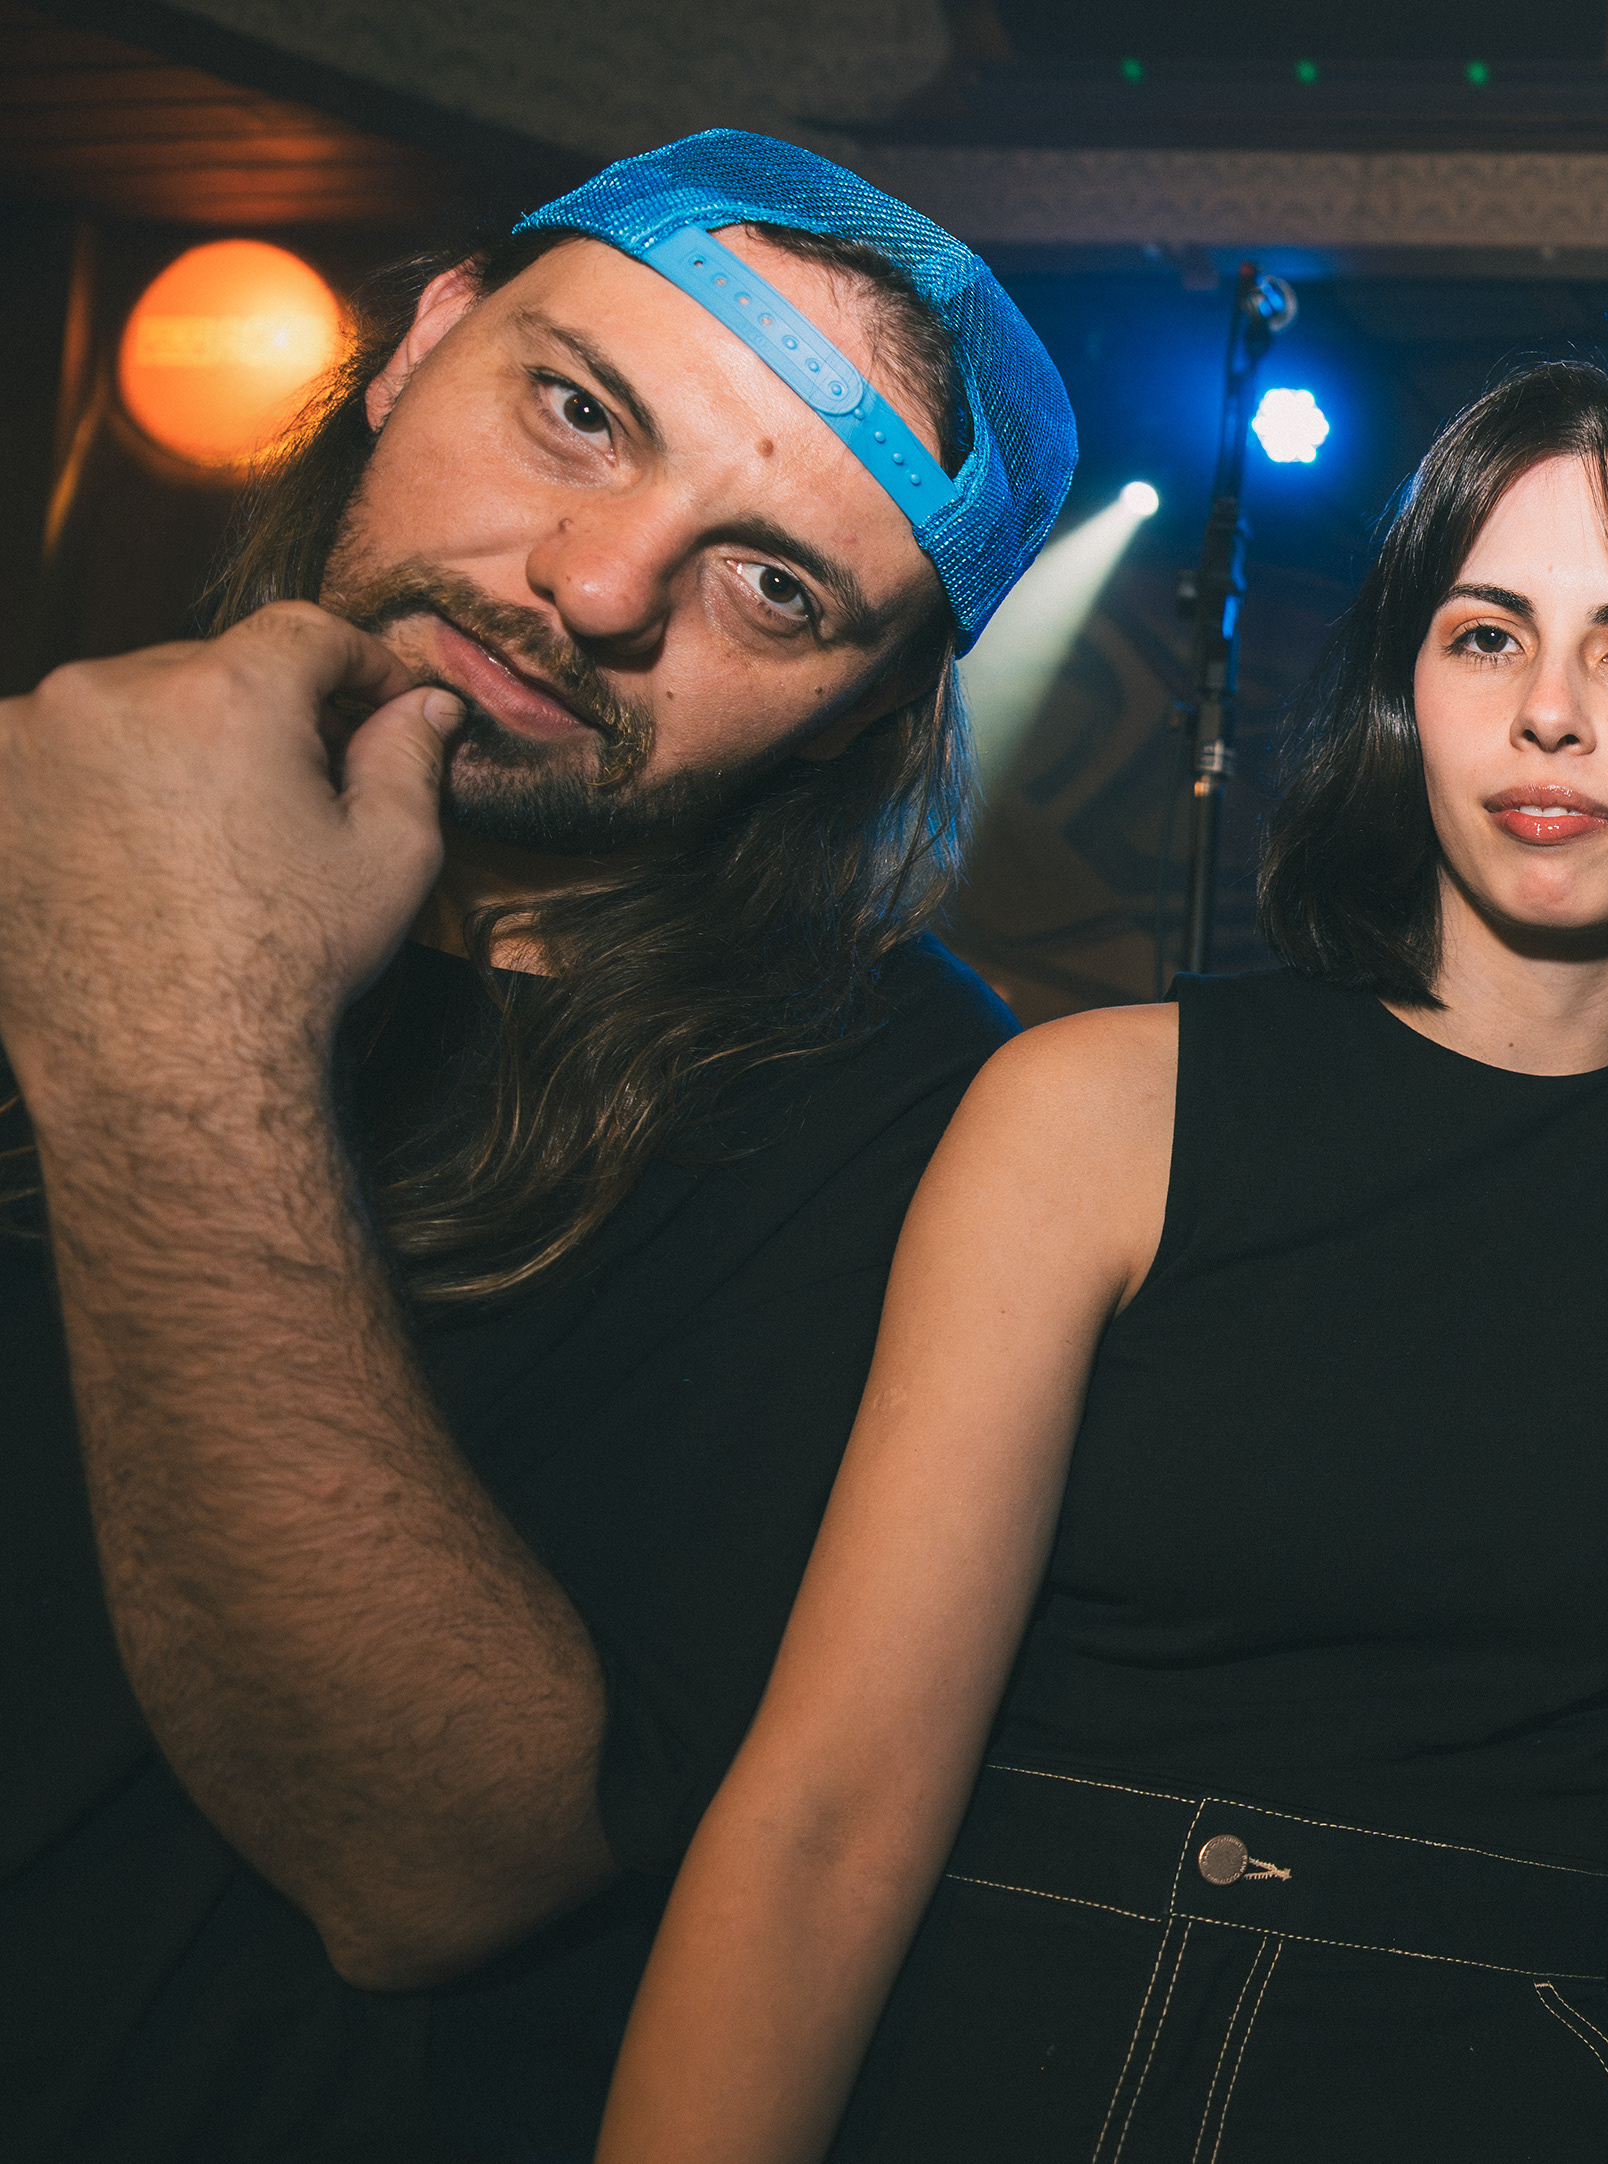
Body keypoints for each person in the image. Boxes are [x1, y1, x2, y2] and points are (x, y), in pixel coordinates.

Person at [593, 359, 1608, 2164]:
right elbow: (829, 1803)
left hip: (1479, 2080)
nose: (1551, 716)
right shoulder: (1092, 1109)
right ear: (1405, 704)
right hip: (1016, 2055)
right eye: (1486, 637)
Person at [0, 131, 1071, 2161]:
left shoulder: (907, 1121)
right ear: (424, 340)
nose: (594, 587)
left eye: (774, 585)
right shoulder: (53, 796)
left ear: (866, 710)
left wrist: (177, 1037)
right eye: (578, 413)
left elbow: (433, 1866)